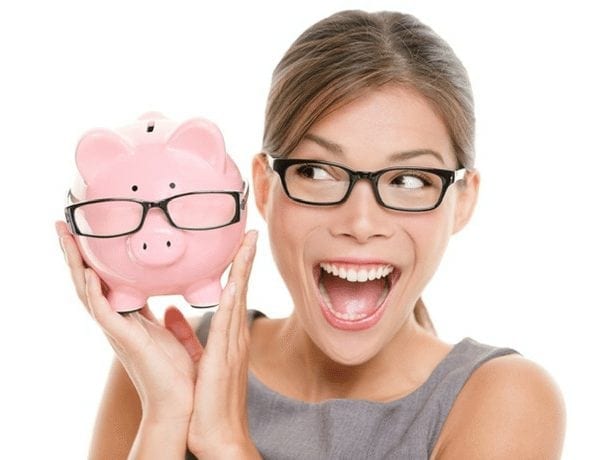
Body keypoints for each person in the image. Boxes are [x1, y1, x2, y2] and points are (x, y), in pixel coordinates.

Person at [55, 9, 566, 459]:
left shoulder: (502, 398)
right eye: (317, 173)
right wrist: (166, 415)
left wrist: (228, 444)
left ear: (464, 201)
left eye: (410, 180)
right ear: (263, 186)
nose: (361, 224)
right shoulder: (161, 364)